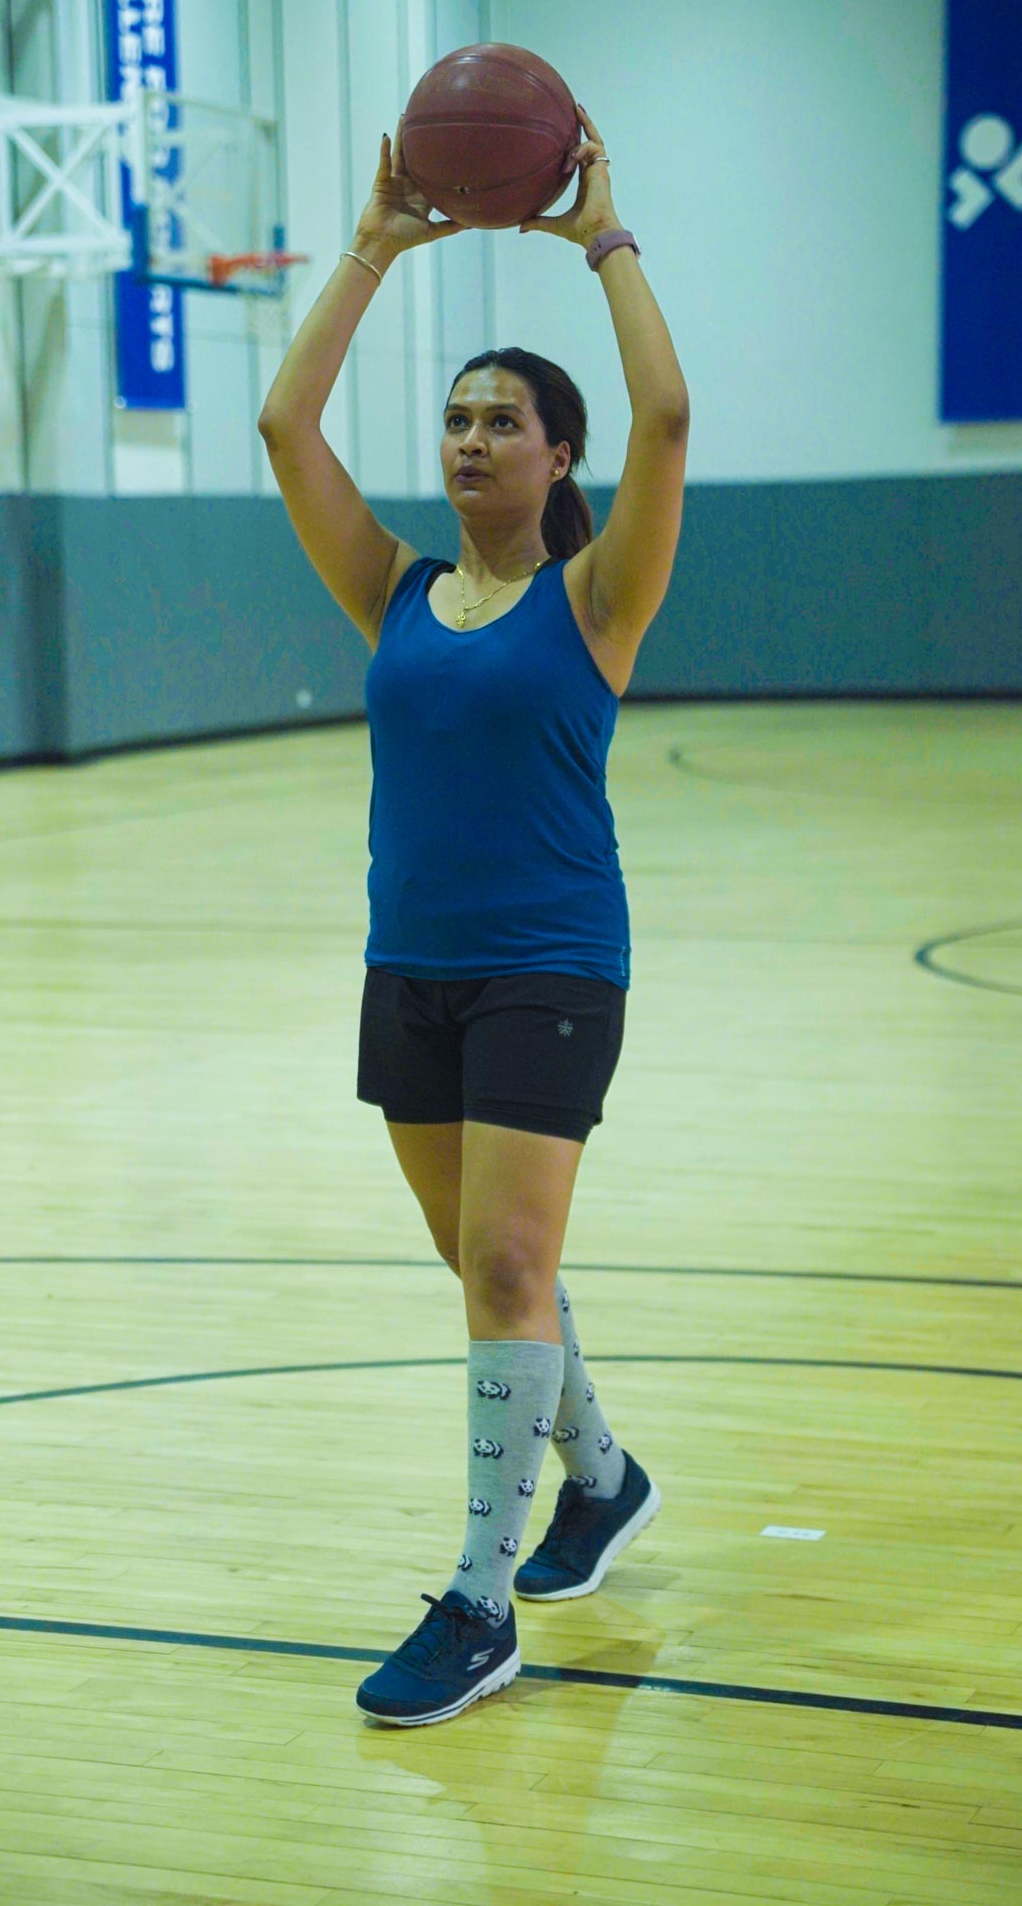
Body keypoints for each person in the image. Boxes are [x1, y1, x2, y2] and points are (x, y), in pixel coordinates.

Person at [259, 102, 689, 1727]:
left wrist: (602, 237)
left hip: (555, 963)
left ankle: (480, 1596)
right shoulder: (387, 589)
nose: (467, 441)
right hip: (410, 968)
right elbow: (287, 429)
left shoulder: (599, 596)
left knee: (509, 1262)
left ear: (554, 457)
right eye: (454, 419)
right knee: (481, 1262)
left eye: (502, 420)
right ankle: (603, 1481)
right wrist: (377, 241)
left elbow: (667, 412)